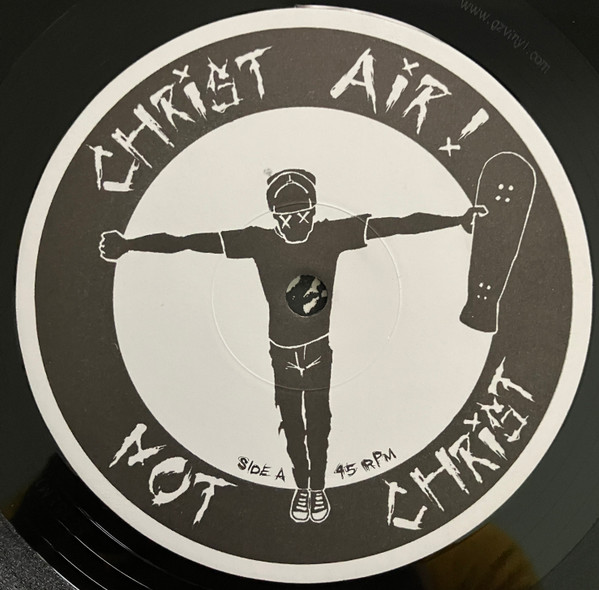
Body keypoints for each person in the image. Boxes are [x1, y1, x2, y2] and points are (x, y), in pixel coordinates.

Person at [99, 168, 485, 524]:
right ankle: (303, 488)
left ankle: (317, 489)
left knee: (319, 419)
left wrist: (457, 220)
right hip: (280, 352)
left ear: (314, 210)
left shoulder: (333, 234)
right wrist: (129, 244)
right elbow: (187, 243)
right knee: (292, 422)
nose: (293, 223)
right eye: (284, 217)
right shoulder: (257, 241)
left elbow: (399, 225)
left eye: (301, 214)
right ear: (273, 216)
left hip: (318, 348)